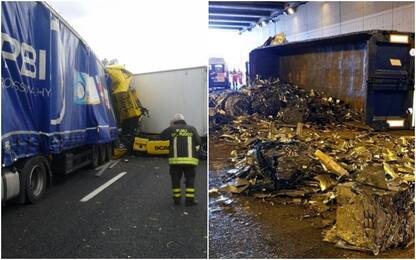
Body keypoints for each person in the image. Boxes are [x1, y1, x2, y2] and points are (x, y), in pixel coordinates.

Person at [161, 113, 201, 206]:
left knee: (175, 179)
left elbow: (161, 136)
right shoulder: (192, 128)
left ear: (174, 122)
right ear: (184, 120)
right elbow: (198, 141)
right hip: (190, 161)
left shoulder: (171, 129)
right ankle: (189, 200)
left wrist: (171, 128)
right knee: (190, 179)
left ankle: (177, 199)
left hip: (175, 161)